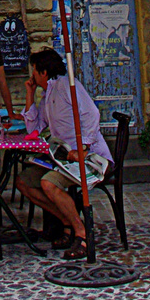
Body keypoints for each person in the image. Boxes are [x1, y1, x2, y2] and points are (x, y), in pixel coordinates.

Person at [15, 47, 113, 261]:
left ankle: (81, 232)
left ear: (42, 72)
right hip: (63, 158)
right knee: (23, 181)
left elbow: (92, 114)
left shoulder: (68, 86)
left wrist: (83, 147)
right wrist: (30, 95)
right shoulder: (47, 93)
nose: (32, 75)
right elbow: (34, 129)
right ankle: (67, 220)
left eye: (34, 71)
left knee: (48, 183)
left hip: (89, 158)